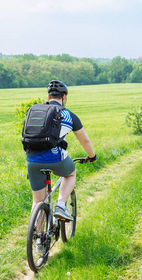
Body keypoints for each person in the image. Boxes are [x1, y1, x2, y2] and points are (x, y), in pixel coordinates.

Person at [26, 80, 97, 221]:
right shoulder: (69, 115)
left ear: (48, 97)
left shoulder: (33, 111)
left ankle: (39, 239)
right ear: (63, 97)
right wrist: (92, 156)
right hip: (55, 159)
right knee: (70, 174)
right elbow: (85, 141)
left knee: (38, 201)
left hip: (32, 159)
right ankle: (60, 205)